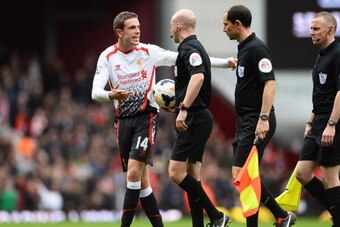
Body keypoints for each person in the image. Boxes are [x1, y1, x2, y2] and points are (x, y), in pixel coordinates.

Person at [91, 11, 236, 227]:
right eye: (132, 28)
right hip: (122, 122)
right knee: (141, 182)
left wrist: (225, 62)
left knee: (132, 172)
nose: (138, 31)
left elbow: (191, 60)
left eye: (139, 26)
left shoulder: (149, 52)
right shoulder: (108, 57)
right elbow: (95, 92)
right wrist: (110, 95)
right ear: (119, 32)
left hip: (145, 118)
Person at [222, 5, 296, 227]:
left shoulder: (256, 48)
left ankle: (277, 217)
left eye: (226, 25)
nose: (223, 29)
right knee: (244, 174)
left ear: (237, 24)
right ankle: (281, 216)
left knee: (243, 174)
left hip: (257, 120)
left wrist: (263, 118)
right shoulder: (244, 49)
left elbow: (270, 83)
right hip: (245, 120)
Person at [168, 9, 233, 227]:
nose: (170, 31)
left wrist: (184, 107)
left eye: (171, 26)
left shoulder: (189, 48)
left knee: (175, 173)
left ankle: (216, 215)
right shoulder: (197, 48)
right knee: (192, 176)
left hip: (194, 117)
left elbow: (198, 77)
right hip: (200, 116)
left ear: (178, 26)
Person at [295, 11, 340, 227]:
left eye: (315, 29)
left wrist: (331, 124)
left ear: (330, 30)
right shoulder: (321, 54)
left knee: (329, 177)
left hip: (332, 122)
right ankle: (337, 212)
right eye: (310, 28)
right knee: (302, 173)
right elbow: (321, 95)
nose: (310, 33)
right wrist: (310, 121)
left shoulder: (338, 53)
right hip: (318, 122)